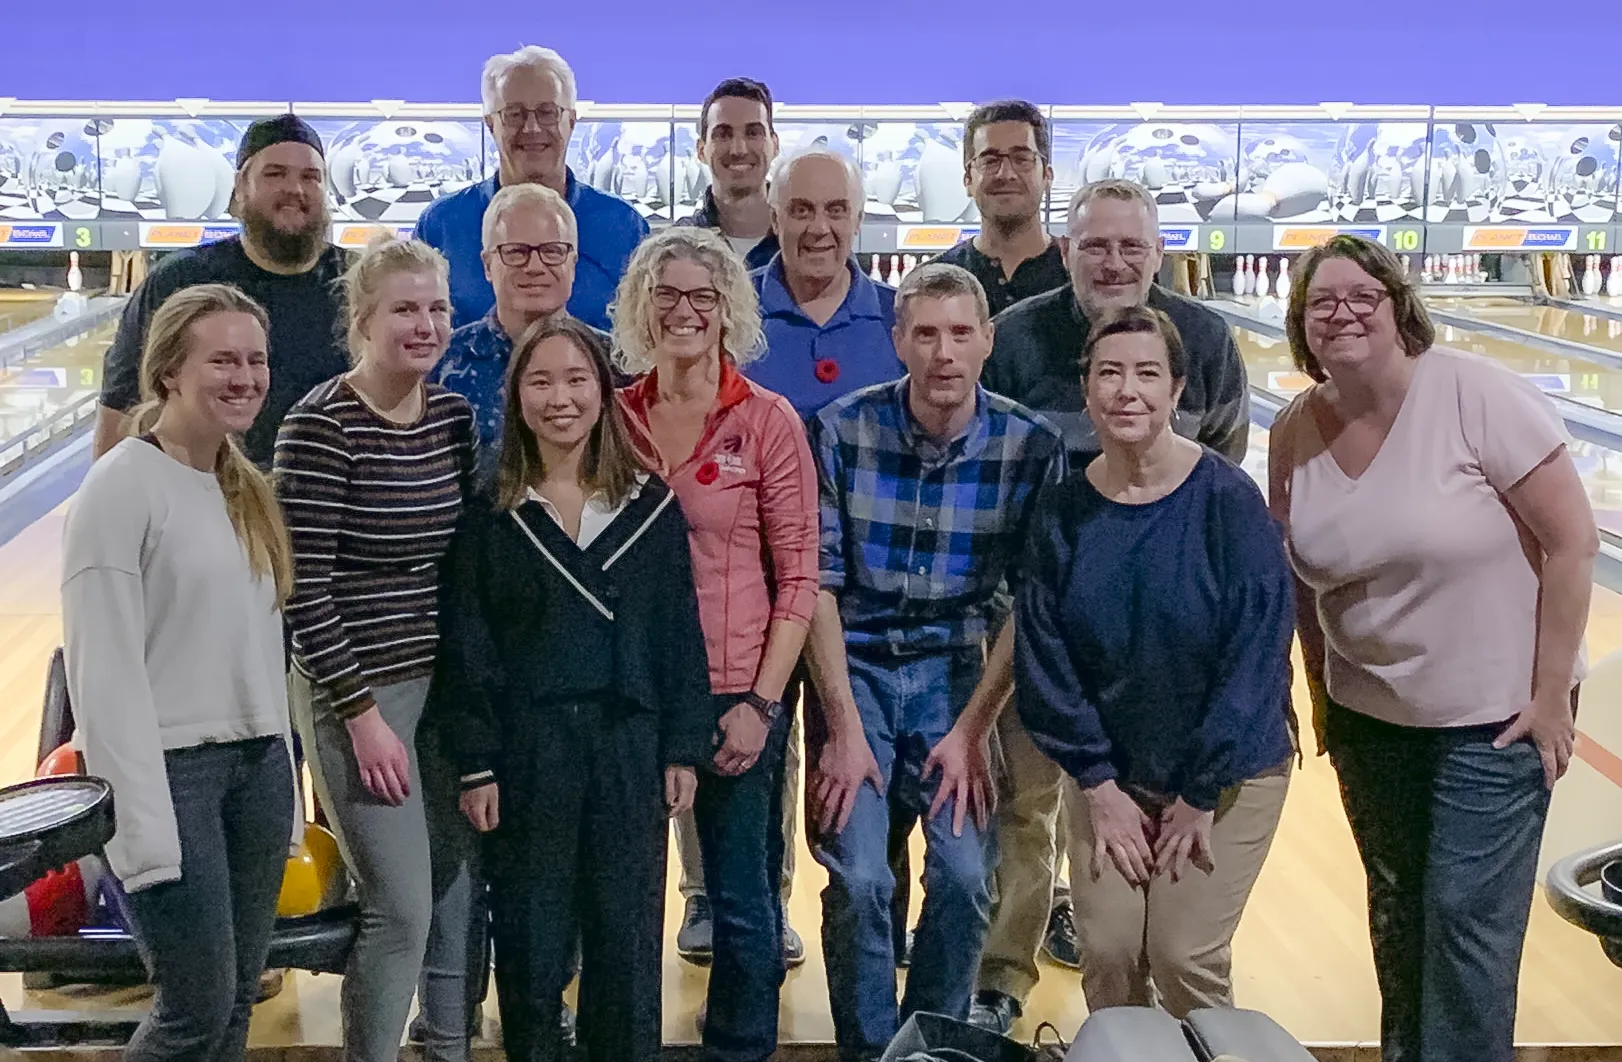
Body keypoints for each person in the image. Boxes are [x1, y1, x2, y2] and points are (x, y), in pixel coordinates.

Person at [1268, 235, 1596, 1062]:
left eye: (1360, 296)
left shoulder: (1476, 396)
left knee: (1463, 931)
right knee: (1400, 918)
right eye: (1321, 302)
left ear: (1398, 307)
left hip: (1497, 719)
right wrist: (1318, 693)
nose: (1341, 313)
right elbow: (1302, 581)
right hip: (1371, 720)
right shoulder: (1295, 430)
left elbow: (1574, 542)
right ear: (1301, 326)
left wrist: (1553, 694)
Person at [970, 177, 1251, 1032]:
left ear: (1160, 254)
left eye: (1133, 246)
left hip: (1156, 646)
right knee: (1023, 806)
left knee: (1135, 848)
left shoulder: (1204, 339)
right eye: (1096, 245)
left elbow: (1219, 482)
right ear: (1067, 250)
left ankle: (1158, 991)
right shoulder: (1015, 338)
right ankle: (1002, 976)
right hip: (1036, 620)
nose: (1115, 261)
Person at [436, 316, 714, 1062]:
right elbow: (469, 647)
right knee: (532, 941)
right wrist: (477, 761)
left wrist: (683, 747)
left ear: (604, 391)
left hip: (627, 743)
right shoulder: (491, 511)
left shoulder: (649, 507)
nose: (561, 398)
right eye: (541, 380)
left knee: (625, 941)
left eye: (577, 379)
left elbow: (677, 637)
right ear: (516, 395)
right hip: (530, 751)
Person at [806, 262, 1065, 1060]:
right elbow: (818, 584)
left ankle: (928, 1043)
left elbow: (1032, 602)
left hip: (960, 674)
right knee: (861, 879)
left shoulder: (1030, 445)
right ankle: (870, 1048)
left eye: (960, 333)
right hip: (856, 672)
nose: (943, 352)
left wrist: (974, 727)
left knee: (961, 874)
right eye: (925, 333)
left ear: (987, 340)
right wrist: (842, 729)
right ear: (898, 342)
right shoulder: (843, 429)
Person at [1014, 305, 1294, 1018]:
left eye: (1146, 374)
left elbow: (1256, 661)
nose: (1126, 390)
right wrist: (1100, 785)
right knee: (1107, 950)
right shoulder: (1065, 509)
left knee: (1182, 954)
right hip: (1111, 772)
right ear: (1087, 391)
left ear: (1177, 391)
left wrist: (1200, 794)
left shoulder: (1228, 501)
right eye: (1109, 373)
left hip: (1228, 771)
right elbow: (1045, 656)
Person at [62, 284, 296, 1062]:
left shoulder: (242, 485)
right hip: (171, 774)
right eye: (221, 360)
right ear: (167, 372)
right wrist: (140, 828)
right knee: (195, 1008)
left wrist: (283, 785)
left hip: (255, 767)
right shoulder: (121, 486)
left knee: (232, 1008)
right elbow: (104, 678)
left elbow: (257, 654)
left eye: (255, 360)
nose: (245, 377)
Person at [614, 226, 819, 1062]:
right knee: (625, 893)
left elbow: (800, 579)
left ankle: (740, 1045)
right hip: (630, 688)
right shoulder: (611, 418)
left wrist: (763, 705)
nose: (685, 312)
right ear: (640, 307)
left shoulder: (767, 422)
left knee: (740, 897)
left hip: (736, 687)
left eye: (704, 296)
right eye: (667, 295)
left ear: (730, 307)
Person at [274, 239, 479, 1062]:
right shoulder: (319, 426)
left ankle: (450, 1045)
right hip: (355, 692)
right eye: (404, 308)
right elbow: (302, 591)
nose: (425, 324)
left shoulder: (453, 417)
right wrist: (360, 715)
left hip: (443, 688)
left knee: (456, 894)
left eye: (436, 308)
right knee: (400, 904)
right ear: (362, 320)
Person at [95, 115, 348, 468]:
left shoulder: (358, 281)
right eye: (275, 174)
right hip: (208, 501)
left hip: (331, 505)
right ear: (240, 186)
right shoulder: (182, 280)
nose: (295, 188)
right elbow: (121, 408)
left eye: (310, 176)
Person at [415, 45, 648, 330]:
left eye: (547, 113)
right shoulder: (441, 226)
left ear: (571, 121)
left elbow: (646, 341)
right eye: (514, 114)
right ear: (490, 124)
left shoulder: (625, 227)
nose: (532, 128)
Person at [434, 182, 610, 486]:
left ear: (574, 262)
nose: (535, 266)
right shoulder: (441, 363)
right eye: (516, 252)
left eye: (553, 251)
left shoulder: (614, 363)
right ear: (487, 265)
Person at [750, 148, 901, 418]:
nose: (819, 228)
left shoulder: (902, 315)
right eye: (801, 211)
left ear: (858, 221)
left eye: (836, 211)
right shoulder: (730, 309)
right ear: (775, 220)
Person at [934, 100, 1068, 317]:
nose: (1006, 174)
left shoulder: (1082, 276)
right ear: (968, 179)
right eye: (990, 160)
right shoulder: (933, 278)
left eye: (1022, 159)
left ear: (1047, 176)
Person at [675, 77, 781, 270]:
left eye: (753, 133)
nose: (738, 150)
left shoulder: (804, 243)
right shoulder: (676, 247)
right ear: (701, 150)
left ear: (775, 145)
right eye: (723, 134)